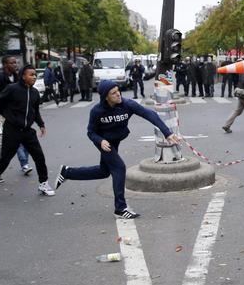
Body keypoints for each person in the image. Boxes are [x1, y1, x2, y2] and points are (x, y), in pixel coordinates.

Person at [54, 80, 181, 219]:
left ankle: (67, 172)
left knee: (104, 172)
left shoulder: (127, 105)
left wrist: (167, 133)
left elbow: (150, 114)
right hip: (104, 142)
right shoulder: (97, 111)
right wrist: (100, 141)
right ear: (105, 97)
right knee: (119, 168)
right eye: (113, 93)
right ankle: (120, 208)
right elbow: (91, 132)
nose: (118, 94)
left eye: (118, 91)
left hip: (115, 140)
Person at [0, 64, 54, 200]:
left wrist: (41, 124)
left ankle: (43, 183)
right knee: (5, 160)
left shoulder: (34, 93)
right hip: (12, 129)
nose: (34, 77)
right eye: (31, 74)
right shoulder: (12, 89)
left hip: (27, 131)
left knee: (39, 157)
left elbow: (35, 111)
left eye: (35, 75)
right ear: (23, 76)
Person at [0, 56, 33, 182]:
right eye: (12, 62)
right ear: (5, 64)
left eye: (16, 62)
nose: (15, 64)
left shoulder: (16, 77)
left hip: (10, 115)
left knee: (10, 143)